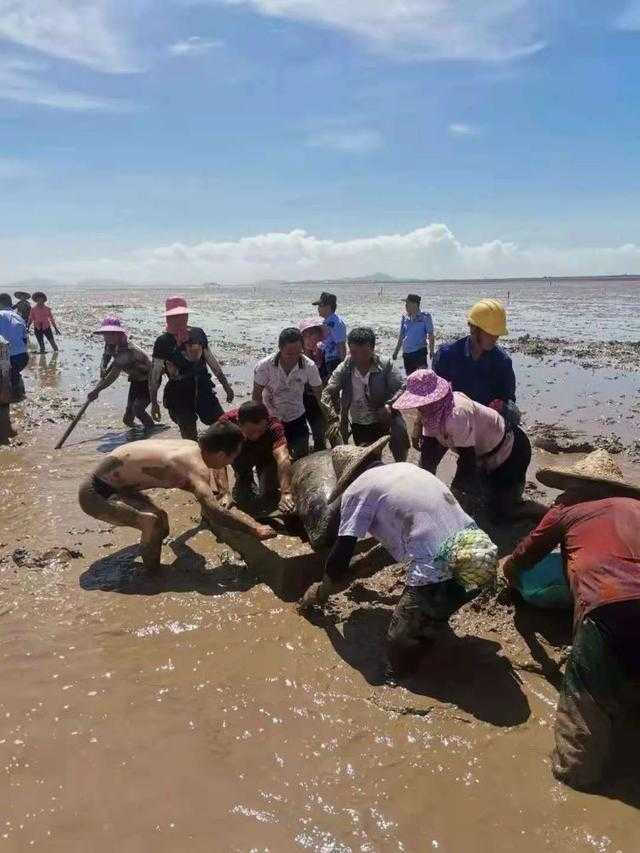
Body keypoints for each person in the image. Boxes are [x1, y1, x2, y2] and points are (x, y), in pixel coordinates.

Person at [300, 442, 498, 683]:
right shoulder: (407, 470)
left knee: (398, 646)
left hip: (439, 574)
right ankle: (435, 619)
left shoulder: (357, 490)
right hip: (478, 560)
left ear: (348, 476)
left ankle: (402, 675)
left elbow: (341, 554)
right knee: (436, 601)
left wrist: (321, 592)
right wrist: (358, 571)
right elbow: (392, 547)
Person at [501, 451, 640, 791]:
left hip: (609, 607)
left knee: (582, 721)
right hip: (624, 603)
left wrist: (506, 575)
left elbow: (525, 555)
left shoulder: (567, 510)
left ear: (576, 485)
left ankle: (576, 781)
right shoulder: (635, 508)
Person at [78, 421, 276, 571]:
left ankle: (148, 555)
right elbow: (214, 511)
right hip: (94, 494)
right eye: (233, 457)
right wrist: (255, 529)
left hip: (118, 486)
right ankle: (152, 576)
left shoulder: (192, 446)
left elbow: (192, 489)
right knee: (153, 522)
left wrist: (209, 505)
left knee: (163, 522)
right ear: (222, 454)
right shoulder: (196, 467)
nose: (231, 462)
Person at [393, 369, 541, 520]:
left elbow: (466, 463)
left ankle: (546, 512)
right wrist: (419, 494)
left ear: (433, 399)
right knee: (482, 503)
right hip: (483, 457)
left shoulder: (456, 414)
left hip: (512, 451)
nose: (418, 408)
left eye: (420, 403)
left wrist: (454, 499)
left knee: (502, 513)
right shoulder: (431, 415)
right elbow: (428, 460)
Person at [150, 296, 234, 440]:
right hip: (179, 393)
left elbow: (212, 361)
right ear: (168, 317)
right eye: (175, 316)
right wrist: (153, 403)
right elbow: (155, 375)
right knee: (189, 435)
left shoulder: (197, 334)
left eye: (183, 315)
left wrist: (226, 386)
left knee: (223, 427)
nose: (180, 319)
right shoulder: (163, 342)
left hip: (203, 387)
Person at [322, 326, 409, 462]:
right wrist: (332, 417)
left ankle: (402, 465)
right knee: (368, 461)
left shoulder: (385, 364)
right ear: (349, 349)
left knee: (400, 435)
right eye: (354, 352)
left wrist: (389, 405)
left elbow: (402, 387)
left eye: (364, 352)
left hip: (385, 416)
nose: (359, 357)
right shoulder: (344, 367)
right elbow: (327, 392)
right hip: (360, 421)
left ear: (373, 348)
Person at [253, 327, 324, 460]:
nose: (294, 358)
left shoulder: (309, 366)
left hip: (296, 417)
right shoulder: (264, 366)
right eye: (289, 354)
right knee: (272, 459)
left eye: (298, 353)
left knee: (301, 458)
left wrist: (329, 418)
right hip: (272, 418)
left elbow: (320, 395)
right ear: (280, 348)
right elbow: (256, 396)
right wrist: (259, 421)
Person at [217, 401, 294, 515]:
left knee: (269, 494)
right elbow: (218, 460)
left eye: (261, 431)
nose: (256, 436)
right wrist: (224, 493)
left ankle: (269, 489)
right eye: (251, 432)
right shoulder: (225, 424)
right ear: (239, 423)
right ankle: (244, 479)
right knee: (243, 498)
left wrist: (286, 492)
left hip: (265, 454)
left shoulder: (274, 425)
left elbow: (282, 458)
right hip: (240, 453)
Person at [86, 317, 154, 430]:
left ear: (118, 334)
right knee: (127, 420)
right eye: (105, 334)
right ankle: (138, 434)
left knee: (138, 409)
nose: (107, 337)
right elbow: (106, 356)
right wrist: (102, 367)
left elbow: (114, 375)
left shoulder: (126, 350)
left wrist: (97, 390)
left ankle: (152, 430)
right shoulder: (110, 344)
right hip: (135, 379)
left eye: (111, 334)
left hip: (149, 379)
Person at [0, 293, 28, 441]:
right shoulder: (18, 316)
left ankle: (6, 430)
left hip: (4, 356)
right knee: (9, 382)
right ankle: (16, 390)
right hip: (21, 356)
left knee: (3, 389)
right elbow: (25, 338)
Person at [299, 317, 327, 451]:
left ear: (319, 335)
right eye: (306, 335)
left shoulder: (324, 352)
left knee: (319, 433)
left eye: (312, 334)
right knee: (300, 435)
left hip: (318, 398)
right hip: (299, 398)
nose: (309, 338)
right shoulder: (296, 355)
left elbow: (329, 375)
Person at [392, 294, 435, 375]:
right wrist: (396, 352)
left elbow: (431, 335)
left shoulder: (425, 316)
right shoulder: (405, 317)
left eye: (407, 303)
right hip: (407, 353)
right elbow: (401, 336)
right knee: (410, 379)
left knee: (421, 378)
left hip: (420, 352)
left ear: (415, 304)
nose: (405, 306)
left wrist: (432, 351)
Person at [312, 292, 347, 378]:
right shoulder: (327, 321)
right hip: (327, 358)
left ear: (328, 307)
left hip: (334, 360)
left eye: (320, 306)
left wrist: (343, 366)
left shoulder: (336, 323)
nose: (318, 309)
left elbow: (341, 344)